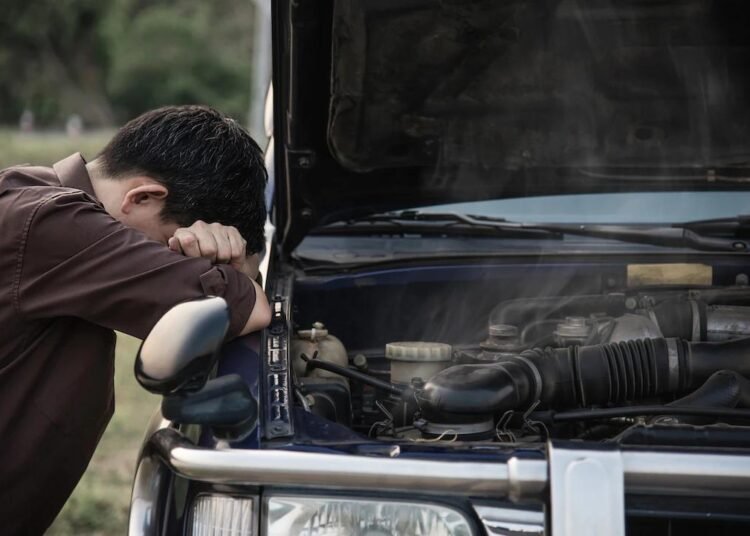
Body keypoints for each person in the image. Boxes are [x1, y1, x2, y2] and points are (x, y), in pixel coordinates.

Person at [0, 105, 271, 534]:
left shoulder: (32, 197)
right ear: (142, 197)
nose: (171, 267)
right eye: (173, 249)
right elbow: (251, 307)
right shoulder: (53, 223)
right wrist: (236, 278)